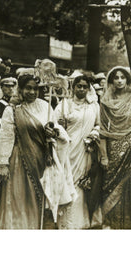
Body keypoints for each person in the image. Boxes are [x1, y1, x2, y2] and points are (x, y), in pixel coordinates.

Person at [0, 74, 73, 229]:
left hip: (42, 158)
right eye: (28, 88)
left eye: (35, 89)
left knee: (41, 197)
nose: (32, 92)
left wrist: (53, 133)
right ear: (21, 89)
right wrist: (3, 163)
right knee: (20, 197)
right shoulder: (11, 110)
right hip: (20, 160)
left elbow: (57, 129)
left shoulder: (45, 107)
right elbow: (6, 137)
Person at [55, 72, 101, 229]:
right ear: (73, 87)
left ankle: (80, 221)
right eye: (79, 86)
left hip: (85, 149)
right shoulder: (64, 105)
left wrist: (93, 136)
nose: (82, 89)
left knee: (81, 183)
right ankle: (65, 222)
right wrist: (60, 127)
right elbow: (54, 126)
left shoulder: (93, 106)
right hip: (67, 149)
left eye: (85, 87)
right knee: (67, 181)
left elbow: (99, 125)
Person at [99, 66, 131, 229]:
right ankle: (110, 222)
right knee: (110, 182)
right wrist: (104, 155)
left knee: (128, 182)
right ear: (111, 81)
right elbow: (103, 129)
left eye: (122, 77)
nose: (119, 80)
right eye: (116, 78)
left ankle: (127, 222)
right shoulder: (105, 101)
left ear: (127, 80)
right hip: (112, 146)